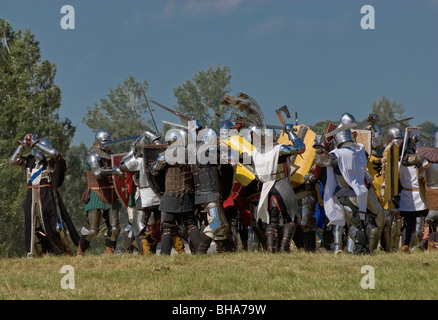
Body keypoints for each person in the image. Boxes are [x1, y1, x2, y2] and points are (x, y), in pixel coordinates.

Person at [9, 134, 79, 258]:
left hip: (48, 196)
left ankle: (62, 250)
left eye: (40, 148)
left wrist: (35, 143)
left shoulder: (52, 161)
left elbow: (53, 153)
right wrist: (23, 146)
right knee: (31, 226)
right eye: (35, 148)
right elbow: (12, 161)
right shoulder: (29, 160)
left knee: (55, 226)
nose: (37, 151)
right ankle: (36, 253)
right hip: (31, 194)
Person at [315, 113, 370, 254]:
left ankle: (339, 248)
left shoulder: (337, 154)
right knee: (356, 221)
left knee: (341, 222)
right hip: (361, 192)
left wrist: (320, 146)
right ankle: (350, 249)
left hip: (342, 192)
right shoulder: (361, 151)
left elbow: (322, 161)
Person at [251, 124, 306, 253]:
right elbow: (300, 148)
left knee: (272, 219)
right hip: (281, 185)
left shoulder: (256, 152)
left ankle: (271, 249)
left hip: (266, 188)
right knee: (291, 217)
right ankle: (284, 247)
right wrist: (291, 133)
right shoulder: (279, 149)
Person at [151, 126, 201, 255]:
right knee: (191, 225)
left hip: (172, 195)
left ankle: (164, 254)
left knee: (167, 227)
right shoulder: (189, 154)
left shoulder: (166, 155)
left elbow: (154, 170)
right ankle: (201, 251)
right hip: (188, 194)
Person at [77, 130, 124, 255]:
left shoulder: (113, 156)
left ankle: (109, 252)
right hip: (96, 194)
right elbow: (97, 173)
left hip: (112, 193)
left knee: (115, 229)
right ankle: (80, 250)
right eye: (105, 141)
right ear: (98, 142)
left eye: (110, 141)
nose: (108, 143)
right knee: (93, 230)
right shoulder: (93, 155)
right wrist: (114, 171)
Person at [194, 127, 235, 254]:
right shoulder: (207, 153)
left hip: (207, 194)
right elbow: (224, 156)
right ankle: (201, 251)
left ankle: (222, 251)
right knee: (216, 223)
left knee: (221, 224)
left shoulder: (199, 152)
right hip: (210, 195)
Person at [398, 128, 429, 253]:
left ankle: (405, 245)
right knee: (429, 220)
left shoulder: (399, 162)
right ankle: (425, 242)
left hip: (406, 194)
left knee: (408, 224)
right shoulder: (422, 161)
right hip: (420, 194)